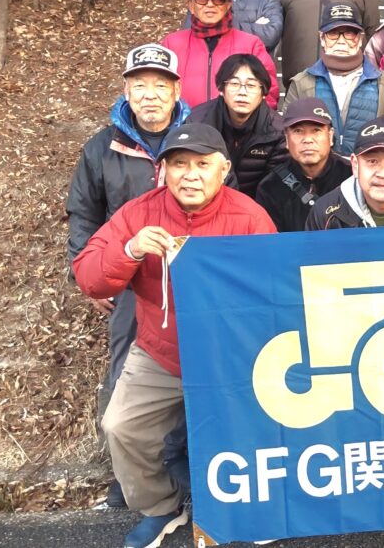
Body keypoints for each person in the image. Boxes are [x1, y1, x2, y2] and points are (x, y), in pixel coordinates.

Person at [72, 123, 276, 548]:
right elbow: (89, 277)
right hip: (161, 352)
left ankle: (254, 503)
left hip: (231, 356)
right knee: (121, 425)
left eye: (202, 164)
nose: (190, 175)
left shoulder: (249, 217)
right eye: (179, 164)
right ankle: (161, 505)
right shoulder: (139, 213)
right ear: (163, 170)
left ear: (224, 169)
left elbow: (271, 291)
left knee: (261, 425)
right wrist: (130, 250)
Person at [66, 43, 190, 510]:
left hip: (190, 280)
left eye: (160, 85)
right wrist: (87, 271)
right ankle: (128, 478)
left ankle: (187, 464)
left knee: (194, 370)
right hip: (131, 277)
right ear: (126, 89)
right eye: (140, 85)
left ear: (176, 90)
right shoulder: (103, 147)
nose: (150, 95)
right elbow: (83, 212)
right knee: (129, 371)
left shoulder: (196, 137)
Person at [283, 1, 384, 155]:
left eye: (349, 34)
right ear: (322, 38)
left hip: (367, 167)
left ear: (359, 39)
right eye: (333, 34)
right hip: (319, 168)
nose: (341, 41)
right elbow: (288, 133)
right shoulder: (301, 83)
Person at [161, 0, 279, 109]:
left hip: (236, 122)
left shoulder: (251, 45)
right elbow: (160, 89)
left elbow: (269, 93)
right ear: (191, 5)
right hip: (184, 122)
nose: (210, 4)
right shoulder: (172, 45)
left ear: (228, 5)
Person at [185, 53, 287, 198]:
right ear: (221, 88)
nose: (242, 92)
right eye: (234, 84)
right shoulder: (197, 122)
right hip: (209, 200)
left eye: (251, 85)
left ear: (263, 93)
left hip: (257, 204)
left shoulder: (277, 131)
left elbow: (272, 186)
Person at [255, 97, 352, 231]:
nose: (307, 139)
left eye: (316, 130)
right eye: (298, 131)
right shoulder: (270, 187)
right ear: (286, 139)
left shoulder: (352, 177)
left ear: (330, 136)